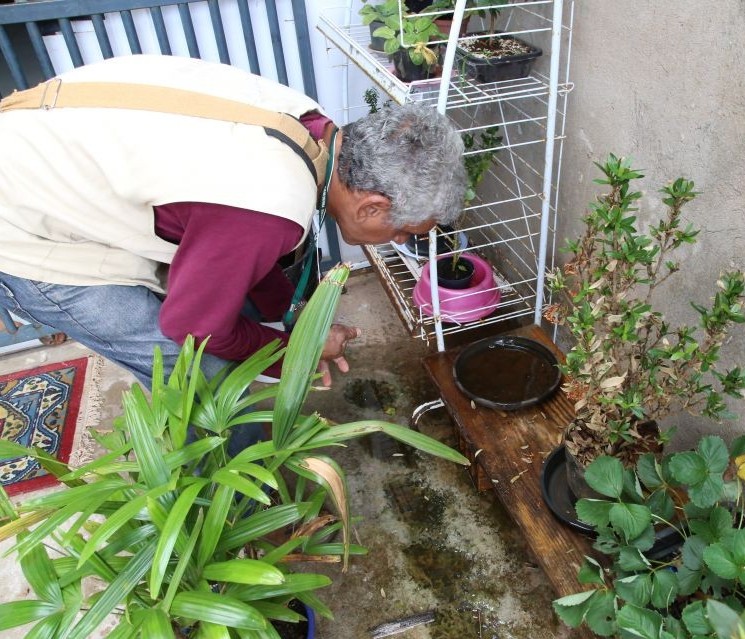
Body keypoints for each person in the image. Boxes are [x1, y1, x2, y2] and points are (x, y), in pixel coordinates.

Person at [0, 55, 466, 435]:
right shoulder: (267, 204)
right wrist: (292, 355)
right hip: (27, 227)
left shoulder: (310, 126)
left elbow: (251, 249)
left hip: (37, 139)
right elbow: (192, 325)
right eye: (405, 230)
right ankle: (234, 520)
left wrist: (296, 326)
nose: (400, 240)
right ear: (371, 207)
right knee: (209, 386)